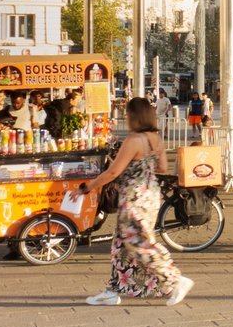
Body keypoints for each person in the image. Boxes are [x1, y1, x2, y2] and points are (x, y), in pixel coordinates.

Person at [82, 99, 191, 305]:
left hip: (134, 196)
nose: (126, 117)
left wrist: (89, 186)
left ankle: (175, 279)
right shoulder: (155, 139)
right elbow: (162, 167)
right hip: (151, 194)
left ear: (135, 116)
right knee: (121, 244)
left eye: (128, 114)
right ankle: (113, 290)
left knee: (137, 242)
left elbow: (114, 172)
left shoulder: (133, 140)